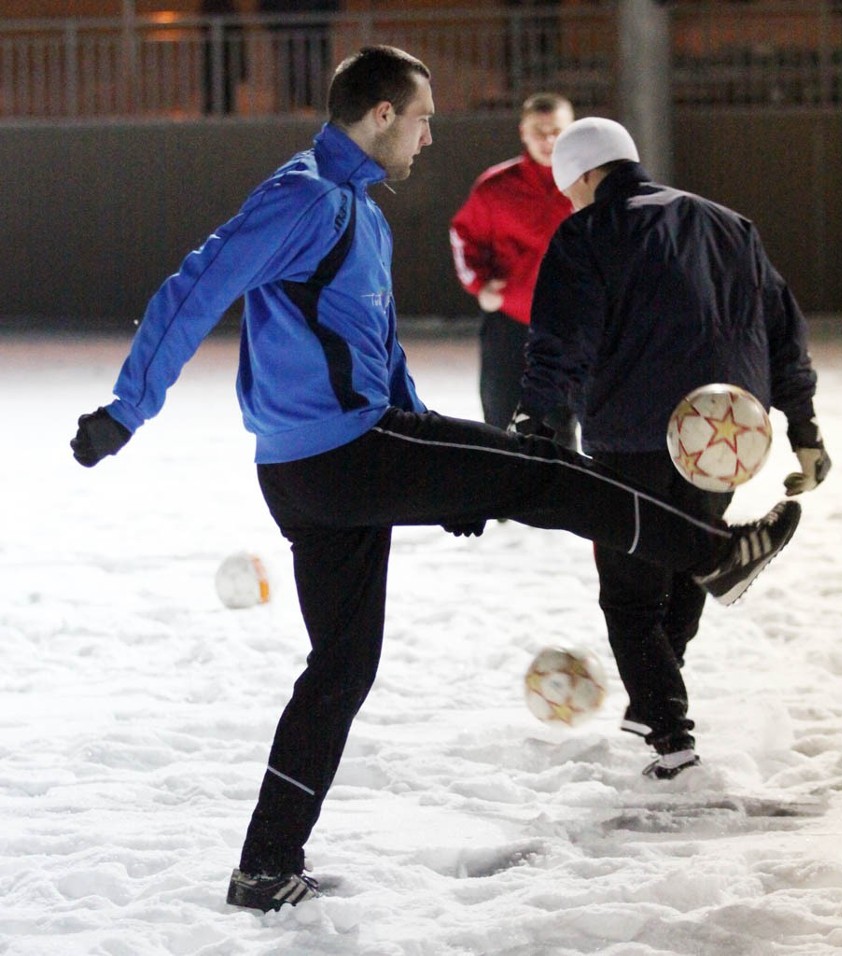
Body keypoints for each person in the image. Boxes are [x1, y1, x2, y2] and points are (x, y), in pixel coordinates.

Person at [70, 51, 801, 914]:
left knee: (341, 667)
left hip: (321, 469)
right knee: (547, 469)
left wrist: (438, 463)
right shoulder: (305, 197)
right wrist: (128, 407)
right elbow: (196, 286)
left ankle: (265, 866)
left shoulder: (358, 214)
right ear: (380, 114)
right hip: (344, 455)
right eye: (422, 117)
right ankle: (714, 557)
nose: (428, 135)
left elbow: (378, 353)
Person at [513, 116, 830, 780]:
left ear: (586, 175)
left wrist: (536, 417)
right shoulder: (730, 224)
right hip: (726, 433)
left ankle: (669, 735)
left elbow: (560, 335)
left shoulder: (588, 231)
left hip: (634, 432)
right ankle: (661, 696)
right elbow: (783, 328)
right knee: (691, 561)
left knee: (629, 593)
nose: (569, 198)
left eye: (568, 186)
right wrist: (803, 429)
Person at [450, 92, 576, 437]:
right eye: (539, 130)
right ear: (523, 131)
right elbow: (463, 236)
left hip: (573, 326)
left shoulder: (588, 184)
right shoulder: (496, 187)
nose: (548, 140)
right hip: (510, 326)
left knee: (564, 431)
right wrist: (479, 286)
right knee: (503, 424)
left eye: (557, 130)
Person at [201, 0, 245, 116]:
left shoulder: (211, 7)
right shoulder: (225, 8)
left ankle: (216, 111)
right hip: (224, 48)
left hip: (221, 48)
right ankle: (222, 111)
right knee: (222, 83)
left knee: (219, 83)